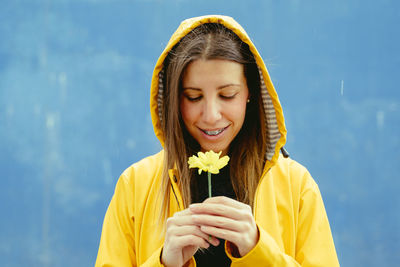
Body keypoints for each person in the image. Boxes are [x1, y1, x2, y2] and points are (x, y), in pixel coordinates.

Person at [95, 15, 340, 267]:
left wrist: (259, 251)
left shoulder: (296, 186)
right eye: (193, 97)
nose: (211, 116)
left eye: (227, 95)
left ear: (250, 93)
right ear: (174, 100)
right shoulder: (135, 185)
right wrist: (164, 263)